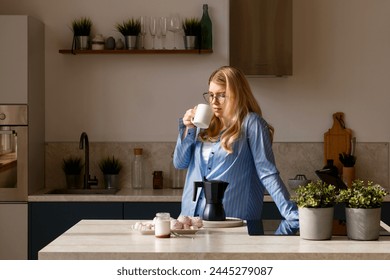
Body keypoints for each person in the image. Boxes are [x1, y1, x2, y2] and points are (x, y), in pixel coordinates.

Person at [173, 66, 298, 221]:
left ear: (237, 95)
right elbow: (180, 163)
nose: (214, 102)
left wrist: (291, 214)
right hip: (191, 219)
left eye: (221, 95)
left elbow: (267, 172)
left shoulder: (252, 123)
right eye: (211, 95)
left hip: (233, 220)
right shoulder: (203, 124)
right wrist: (189, 128)